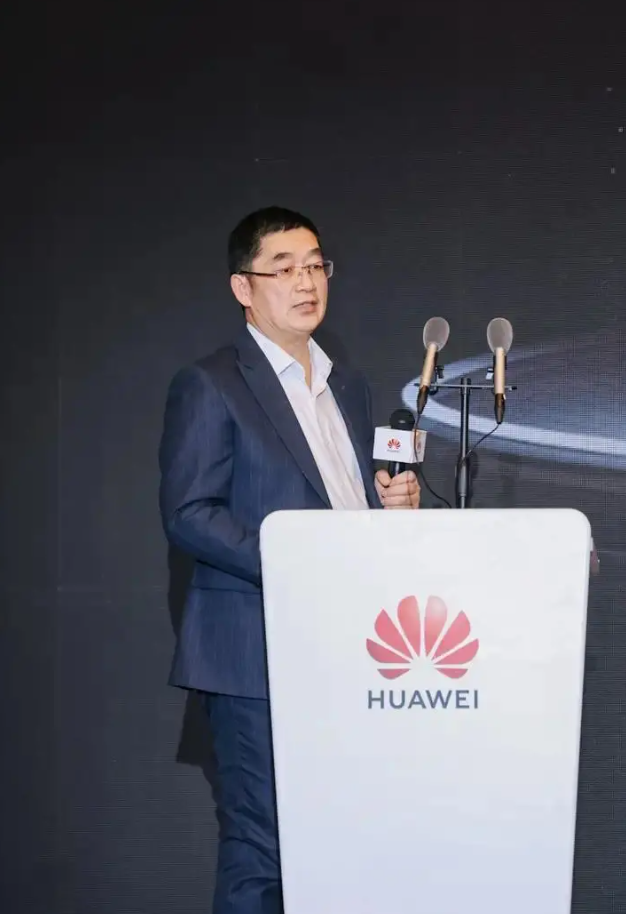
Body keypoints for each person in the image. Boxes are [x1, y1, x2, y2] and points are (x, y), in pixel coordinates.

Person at [159, 207, 420, 913]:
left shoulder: (348, 386)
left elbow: (339, 505)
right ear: (243, 287)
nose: (306, 282)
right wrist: (302, 566)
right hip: (253, 653)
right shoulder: (212, 383)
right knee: (263, 851)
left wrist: (387, 506)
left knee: (334, 847)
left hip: (345, 650)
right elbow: (189, 512)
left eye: (315, 265)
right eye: (284, 268)